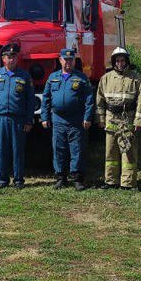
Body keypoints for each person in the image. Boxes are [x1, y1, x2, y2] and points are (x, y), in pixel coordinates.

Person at [41, 48, 94, 190]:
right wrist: (44, 117)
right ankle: (61, 178)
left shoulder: (82, 78)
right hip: (58, 120)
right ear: (60, 60)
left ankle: (77, 179)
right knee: (59, 149)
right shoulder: (52, 78)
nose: (68, 62)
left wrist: (87, 117)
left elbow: (89, 100)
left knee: (77, 148)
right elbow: (46, 99)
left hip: (76, 120)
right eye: (65, 59)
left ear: (74, 61)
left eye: (71, 60)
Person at [96, 47, 141, 191]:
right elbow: (99, 100)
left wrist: (138, 121)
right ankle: (110, 181)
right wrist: (100, 118)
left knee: (129, 152)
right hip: (111, 119)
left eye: (123, 60)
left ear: (127, 61)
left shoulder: (136, 78)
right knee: (110, 152)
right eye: (117, 60)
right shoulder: (106, 78)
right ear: (113, 62)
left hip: (128, 120)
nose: (120, 63)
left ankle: (128, 183)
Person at [0, 43, 35, 189]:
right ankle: (2, 179)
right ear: (3, 59)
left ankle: (18, 179)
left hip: (18, 118)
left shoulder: (24, 76)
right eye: (8, 57)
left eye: (14, 57)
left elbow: (30, 100)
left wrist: (28, 120)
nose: (11, 60)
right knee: (2, 149)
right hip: (1, 117)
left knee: (17, 149)